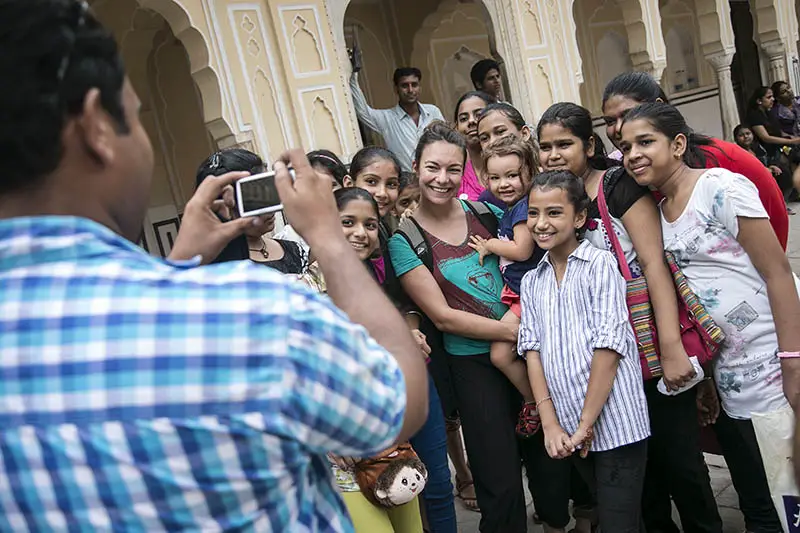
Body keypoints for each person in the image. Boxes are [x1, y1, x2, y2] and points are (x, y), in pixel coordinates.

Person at [0, 2, 431, 531]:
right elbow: (401, 401)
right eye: (136, 116)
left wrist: (180, 262)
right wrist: (328, 239)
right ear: (96, 127)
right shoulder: (250, 318)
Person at [538, 101, 724, 533]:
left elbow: (654, 264)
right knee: (643, 480)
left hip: (647, 350)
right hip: (606, 363)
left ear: (588, 145)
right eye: (545, 147)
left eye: (564, 144)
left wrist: (670, 348)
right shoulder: (551, 199)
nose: (553, 155)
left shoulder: (617, 185)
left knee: (681, 462)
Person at [619, 102, 800, 533]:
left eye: (646, 142)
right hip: (730, 376)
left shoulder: (720, 187)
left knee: (788, 487)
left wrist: (792, 361)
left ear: (678, 144)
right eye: (625, 146)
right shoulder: (659, 213)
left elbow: (778, 273)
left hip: (774, 365)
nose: (633, 154)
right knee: (758, 494)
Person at [389, 122, 571, 533]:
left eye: (453, 169)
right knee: (498, 473)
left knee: (547, 455)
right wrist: (517, 332)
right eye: (432, 167)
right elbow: (443, 316)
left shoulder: (484, 212)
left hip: (527, 353)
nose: (442, 179)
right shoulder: (407, 239)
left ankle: (556, 521)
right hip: (473, 364)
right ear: (415, 166)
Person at [520, 169, 650, 533]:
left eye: (554, 213)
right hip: (567, 428)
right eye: (533, 213)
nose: (541, 223)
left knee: (618, 522)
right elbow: (532, 351)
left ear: (579, 217)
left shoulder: (600, 265)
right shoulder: (533, 281)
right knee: (614, 518)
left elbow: (609, 348)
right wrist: (550, 425)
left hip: (614, 424)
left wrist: (585, 425)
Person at [317, 187, 428, 533]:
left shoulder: (370, 287)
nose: (359, 233)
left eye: (369, 224)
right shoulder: (304, 287)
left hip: (390, 444)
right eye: (347, 222)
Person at [601, 71, 790, 250]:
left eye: (628, 115)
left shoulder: (724, 159)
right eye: (610, 122)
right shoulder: (626, 177)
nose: (618, 128)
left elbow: (774, 219)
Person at [467, 136, 544, 437]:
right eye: (496, 177)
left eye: (512, 175)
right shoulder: (512, 208)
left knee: (500, 354)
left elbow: (522, 250)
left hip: (529, 294)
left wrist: (491, 245)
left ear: (530, 171)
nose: (504, 184)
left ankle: (534, 401)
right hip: (519, 293)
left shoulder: (524, 207)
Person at [196, 149, 307, 273]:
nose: (270, 210)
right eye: (256, 199)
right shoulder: (216, 270)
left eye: (269, 193)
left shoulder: (294, 250)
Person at [349, 61, 445, 172]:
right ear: (396, 89)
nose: (410, 90)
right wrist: (354, 74)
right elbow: (363, 111)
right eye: (405, 86)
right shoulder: (387, 119)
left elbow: (446, 139)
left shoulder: (433, 111)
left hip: (437, 175)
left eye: (414, 85)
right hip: (408, 182)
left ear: (419, 87)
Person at [275, 149, 350, 262]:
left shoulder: (359, 227)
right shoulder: (289, 239)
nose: (322, 193)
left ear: (345, 185)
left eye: (331, 185)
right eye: (313, 186)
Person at [476, 102, 536, 210]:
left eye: (500, 132)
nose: (492, 142)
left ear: (524, 133)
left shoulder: (549, 185)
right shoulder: (488, 201)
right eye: (484, 138)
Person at [453, 91, 496, 201]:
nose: (471, 121)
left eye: (478, 115)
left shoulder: (515, 165)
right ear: (456, 127)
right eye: (463, 119)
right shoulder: (455, 175)